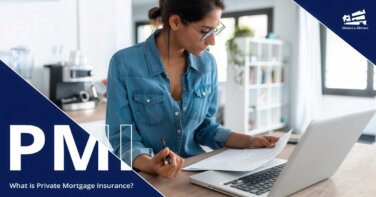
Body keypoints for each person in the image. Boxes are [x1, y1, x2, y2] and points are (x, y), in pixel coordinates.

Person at [106, 0, 279, 179]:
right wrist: (151, 164)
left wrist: (249, 141)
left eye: (215, 30)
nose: (212, 41)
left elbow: (205, 127)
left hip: (194, 174)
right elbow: (122, 137)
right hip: (147, 176)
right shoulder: (124, 64)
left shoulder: (208, 64)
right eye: (205, 31)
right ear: (175, 22)